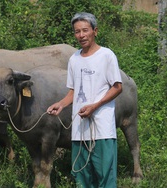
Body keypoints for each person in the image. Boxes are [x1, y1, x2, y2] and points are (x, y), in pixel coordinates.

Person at [47, 12, 122, 188]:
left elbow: (118, 87)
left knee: (105, 178)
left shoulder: (106, 55)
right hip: (80, 131)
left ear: (95, 31)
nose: (81, 35)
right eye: (77, 31)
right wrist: (61, 104)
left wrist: (95, 106)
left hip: (102, 130)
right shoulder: (74, 59)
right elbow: (73, 91)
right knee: (82, 178)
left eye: (85, 30)